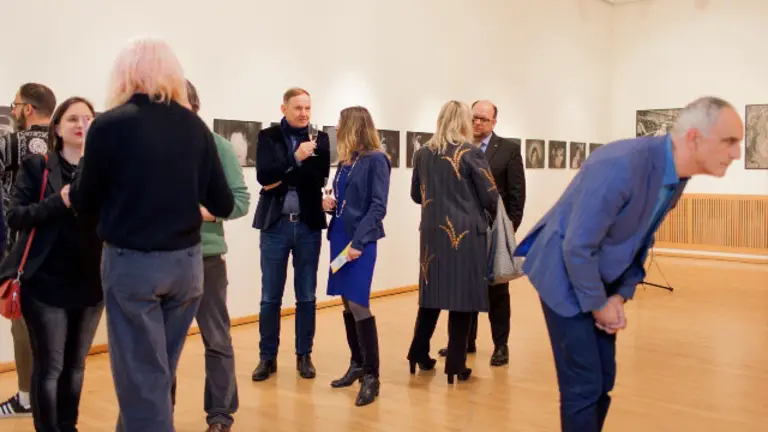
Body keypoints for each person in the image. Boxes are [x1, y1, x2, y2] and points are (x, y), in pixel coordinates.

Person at [514, 96, 743, 432]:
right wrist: (597, 304)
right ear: (694, 138)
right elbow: (577, 247)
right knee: (584, 385)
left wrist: (620, 295)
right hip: (563, 275)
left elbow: (640, 238)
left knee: (603, 379)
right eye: (729, 141)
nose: (736, 153)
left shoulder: (675, 176)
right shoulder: (621, 164)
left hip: (598, 277)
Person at [68, 38, 234, 432]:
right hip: (187, 269)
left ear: (125, 76)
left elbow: (85, 200)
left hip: (133, 267)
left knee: (143, 378)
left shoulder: (109, 125)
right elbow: (223, 203)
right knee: (153, 375)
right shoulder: (194, 127)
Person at [0, 96, 103, 431]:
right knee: (50, 366)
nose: (81, 125)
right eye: (73, 118)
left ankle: (68, 426)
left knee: (75, 366)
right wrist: (58, 201)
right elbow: (16, 216)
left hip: (91, 284)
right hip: (45, 283)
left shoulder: (103, 172)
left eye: (88, 119)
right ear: (57, 127)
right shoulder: (38, 167)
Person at [406, 100, 499, 384]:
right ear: (463, 122)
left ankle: (418, 353)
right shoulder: (471, 152)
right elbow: (490, 196)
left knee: (431, 296)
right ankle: (455, 366)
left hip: (432, 234)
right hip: (466, 235)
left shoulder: (423, 153)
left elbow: (415, 195)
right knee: (463, 299)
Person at [178, 80, 251, 432]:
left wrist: (203, 212)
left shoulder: (219, 147)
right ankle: (160, 415)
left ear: (194, 106)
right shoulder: (155, 148)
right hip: (162, 258)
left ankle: (220, 415)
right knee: (162, 347)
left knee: (217, 339)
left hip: (205, 258)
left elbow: (239, 201)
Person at [436, 100, 526, 367]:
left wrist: (508, 229)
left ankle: (501, 346)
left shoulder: (508, 149)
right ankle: (466, 341)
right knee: (466, 289)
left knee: (497, 292)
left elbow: (516, 195)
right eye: (474, 118)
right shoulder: (459, 148)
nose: (477, 123)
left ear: (494, 122)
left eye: (484, 120)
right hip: (464, 233)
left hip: (494, 231)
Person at [251, 88, 330, 382]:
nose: (304, 113)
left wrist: (281, 176)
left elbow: (317, 176)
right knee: (270, 297)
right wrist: (295, 158)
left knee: (307, 296)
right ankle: (266, 357)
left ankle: (303, 355)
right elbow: (263, 175)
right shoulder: (267, 137)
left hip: (308, 225)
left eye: (308, 108)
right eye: (298, 108)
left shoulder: (320, 139)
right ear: (284, 108)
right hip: (276, 226)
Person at [322, 106, 390, 406]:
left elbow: (378, 206)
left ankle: (372, 376)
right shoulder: (346, 162)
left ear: (353, 126)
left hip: (359, 242)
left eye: (340, 123)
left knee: (360, 303)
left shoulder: (377, 160)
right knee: (347, 303)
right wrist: (329, 203)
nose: (336, 128)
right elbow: (344, 199)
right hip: (339, 237)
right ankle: (357, 363)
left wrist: (359, 242)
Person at [0, 82, 56, 419]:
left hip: (21, 251)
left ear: (28, 109)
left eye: (16, 104)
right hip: (61, 251)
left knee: (21, 325)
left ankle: (26, 398)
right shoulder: (64, 143)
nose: (13, 109)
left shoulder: (8, 144)